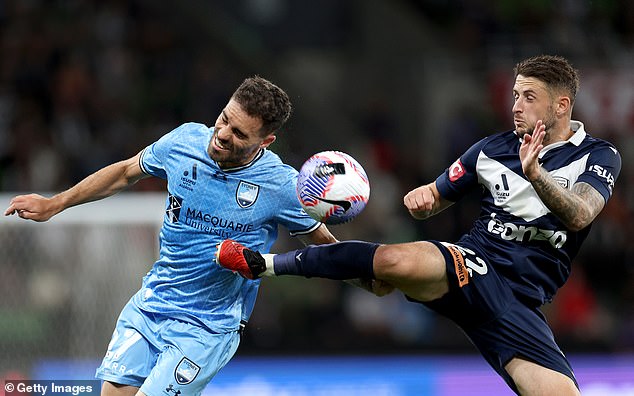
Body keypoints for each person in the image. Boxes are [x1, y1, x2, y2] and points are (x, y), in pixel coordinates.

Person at [216, 55, 622, 395]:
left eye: (528, 97)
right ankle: (265, 264)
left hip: (519, 304)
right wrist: (423, 199)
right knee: (396, 262)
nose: (515, 106)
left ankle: (360, 275)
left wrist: (537, 176)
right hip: (475, 265)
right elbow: (434, 197)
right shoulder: (491, 149)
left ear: (562, 106)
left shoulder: (599, 157)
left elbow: (580, 214)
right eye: (514, 95)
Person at [4, 76, 350, 395]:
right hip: (152, 304)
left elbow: (324, 246)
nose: (224, 133)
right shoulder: (184, 141)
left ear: (266, 140)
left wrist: (374, 273)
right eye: (224, 118)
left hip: (207, 328)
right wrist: (56, 203)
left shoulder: (281, 185)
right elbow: (125, 172)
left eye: (240, 133)